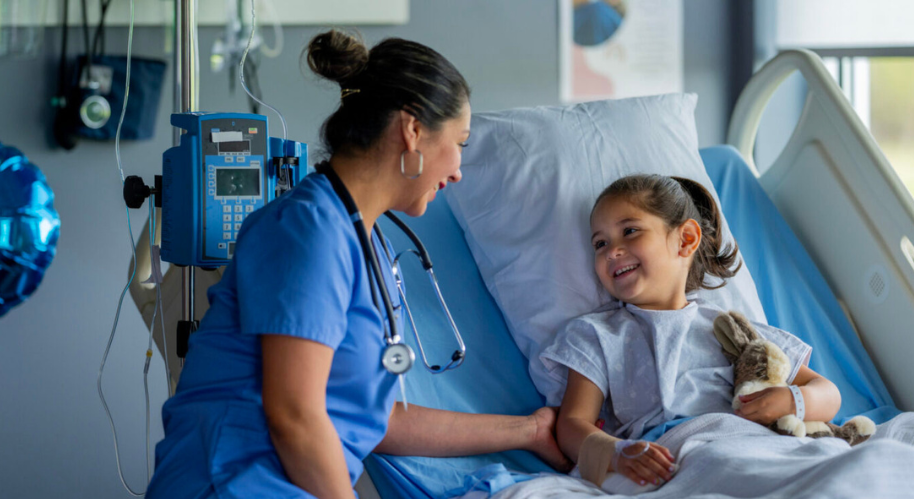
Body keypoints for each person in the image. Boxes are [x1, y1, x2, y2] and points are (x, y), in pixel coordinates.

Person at [146, 30, 570, 499]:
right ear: (412, 131)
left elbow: (375, 419)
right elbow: (295, 418)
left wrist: (528, 431)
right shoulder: (307, 231)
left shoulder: (365, 240)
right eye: (460, 144)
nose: (457, 170)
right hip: (232, 483)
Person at [541, 174, 842, 488]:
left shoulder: (729, 329)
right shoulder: (597, 335)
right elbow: (572, 424)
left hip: (755, 442)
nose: (611, 252)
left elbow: (828, 393)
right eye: (600, 243)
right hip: (673, 457)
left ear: (685, 239)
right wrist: (616, 452)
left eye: (630, 231)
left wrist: (792, 401)